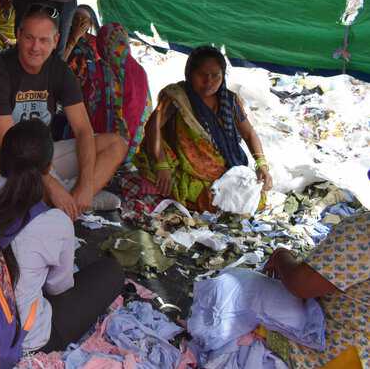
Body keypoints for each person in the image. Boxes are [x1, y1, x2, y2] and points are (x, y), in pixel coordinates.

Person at [0, 119, 125, 355]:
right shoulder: (55, 221)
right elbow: (59, 288)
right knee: (111, 271)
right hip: (22, 340)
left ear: (0, 160)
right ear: (48, 169)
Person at [0, 6, 128, 219]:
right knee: (10, 185)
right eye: (29, 38)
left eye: (44, 40)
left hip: (44, 157)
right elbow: (9, 144)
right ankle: (66, 201)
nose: (35, 47)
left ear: (56, 40)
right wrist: (52, 185)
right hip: (2, 160)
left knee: (116, 145)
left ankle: (76, 200)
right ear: (18, 35)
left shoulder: (60, 71)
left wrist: (86, 185)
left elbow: (83, 130)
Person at [133, 46, 272, 212]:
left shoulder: (229, 100)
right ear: (189, 74)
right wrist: (162, 165)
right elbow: (151, 127)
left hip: (226, 168)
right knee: (215, 202)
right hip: (190, 171)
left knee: (255, 198)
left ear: (223, 76)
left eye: (215, 76)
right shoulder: (178, 97)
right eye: (202, 75)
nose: (209, 82)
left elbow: (248, 134)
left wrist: (262, 165)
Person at [264, 211, 369, 369]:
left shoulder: (365, 229)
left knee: (240, 301)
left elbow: (301, 284)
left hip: (328, 350)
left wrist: (280, 256)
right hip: (361, 355)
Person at [72, 23, 151, 163]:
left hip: (99, 148)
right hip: (132, 150)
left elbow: (83, 105)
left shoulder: (97, 70)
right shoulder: (140, 71)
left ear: (102, 45)